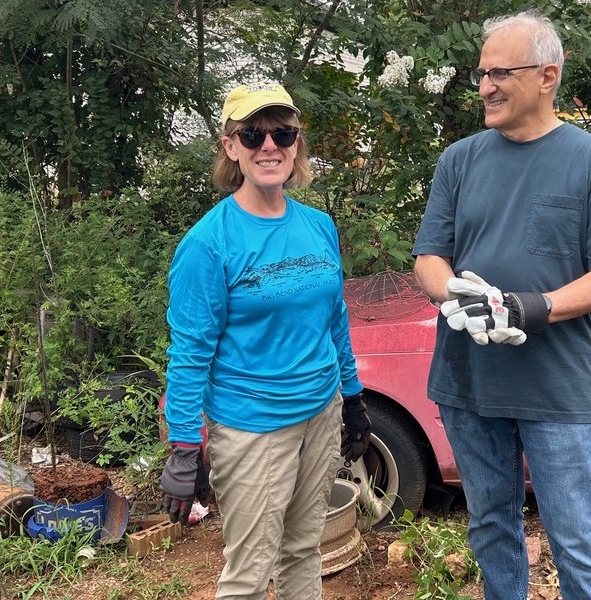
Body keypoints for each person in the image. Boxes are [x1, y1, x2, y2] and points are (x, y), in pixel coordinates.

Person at [412, 10, 591, 600]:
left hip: (555, 388)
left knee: (577, 537)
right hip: (468, 382)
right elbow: (430, 258)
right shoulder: (459, 160)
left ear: (547, 76)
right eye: (481, 74)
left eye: (500, 73)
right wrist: (456, 294)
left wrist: (528, 308)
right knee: (491, 526)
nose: (485, 87)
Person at [158, 81, 371, 600]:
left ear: (296, 142)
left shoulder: (318, 226)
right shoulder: (208, 243)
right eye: (253, 134)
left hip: (321, 414)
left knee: (303, 550)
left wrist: (353, 396)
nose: (269, 145)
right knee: (250, 575)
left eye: (283, 133)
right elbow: (189, 352)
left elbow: (334, 318)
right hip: (252, 427)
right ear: (231, 147)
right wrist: (185, 447)